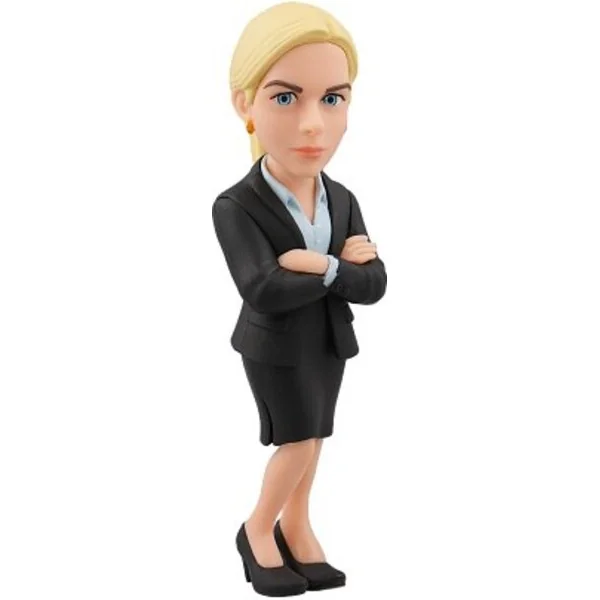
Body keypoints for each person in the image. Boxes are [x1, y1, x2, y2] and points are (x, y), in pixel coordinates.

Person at [211, 2, 387, 595]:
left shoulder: (342, 198)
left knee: (317, 438)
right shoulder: (237, 206)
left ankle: (298, 525)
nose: (314, 123)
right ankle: (258, 528)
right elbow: (262, 287)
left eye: (332, 98)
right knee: (297, 439)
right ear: (246, 105)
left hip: (328, 341)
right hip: (275, 345)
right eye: (286, 97)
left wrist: (320, 265)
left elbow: (374, 284)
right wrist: (344, 270)